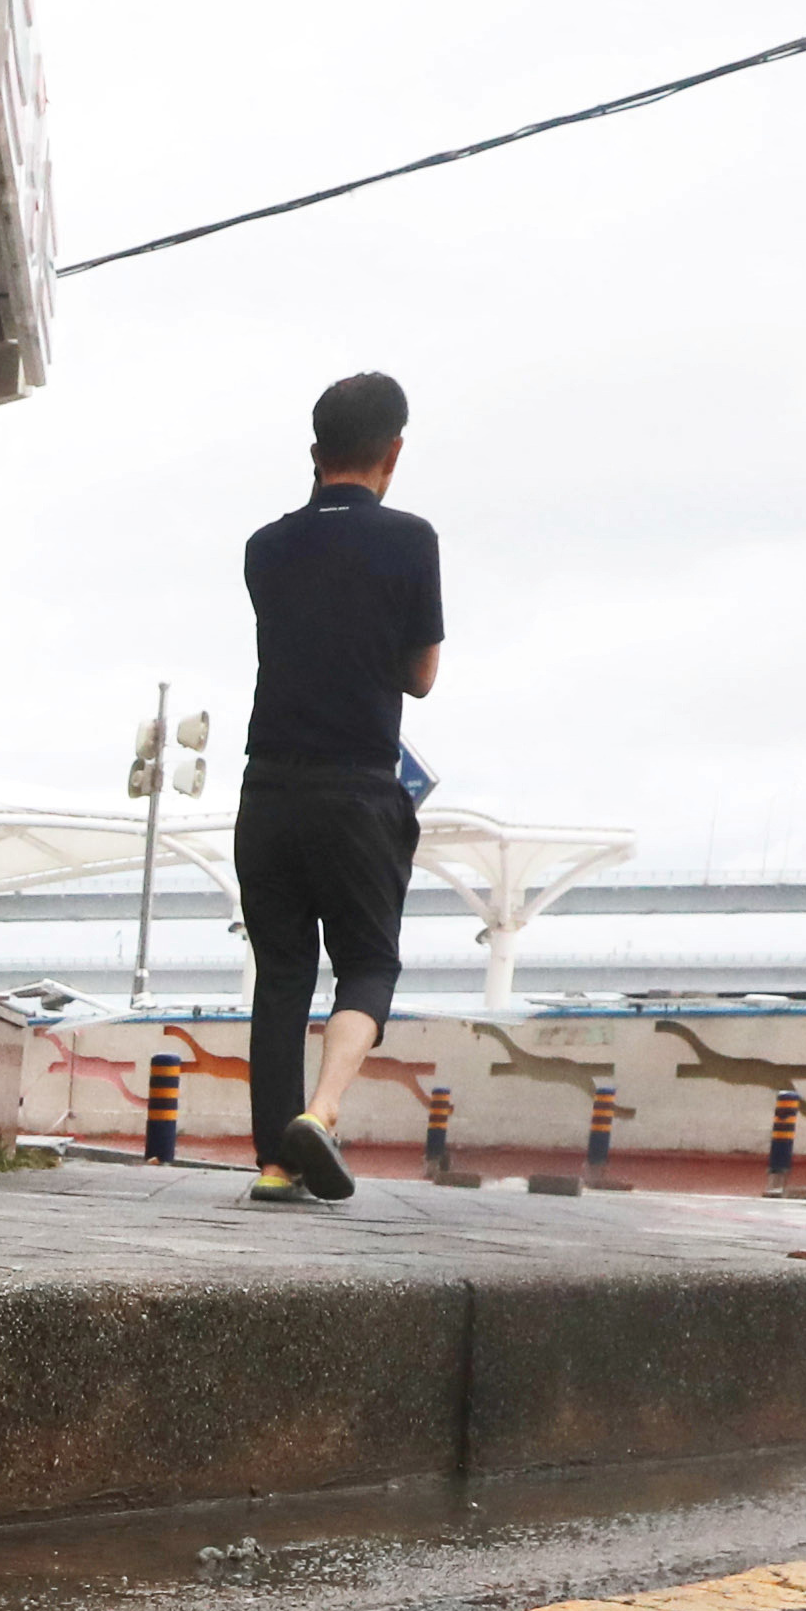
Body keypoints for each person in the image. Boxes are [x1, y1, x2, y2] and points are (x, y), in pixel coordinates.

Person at [229, 370, 444, 1204]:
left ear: (314, 452)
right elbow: (421, 675)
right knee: (367, 960)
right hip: (357, 787)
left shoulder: (264, 547)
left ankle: (276, 1165)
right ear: (393, 451)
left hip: (268, 789)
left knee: (282, 970)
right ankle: (319, 1112)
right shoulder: (410, 539)